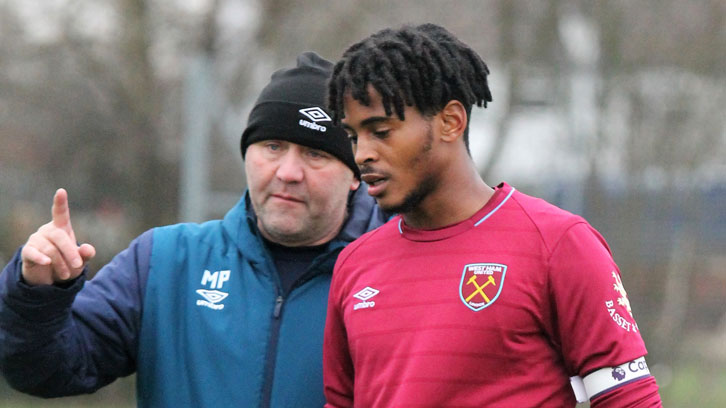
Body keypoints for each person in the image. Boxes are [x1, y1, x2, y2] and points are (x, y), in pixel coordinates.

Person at [0, 52, 387, 407]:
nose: (287, 172)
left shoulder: (393, 275)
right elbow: (45, 371)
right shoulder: (165, 262)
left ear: (355, 175)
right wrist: (37, 296)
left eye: (315, 154)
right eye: (272, 146)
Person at [322, 24, 662, 407]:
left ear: (451, 122)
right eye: (353, 137)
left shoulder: (558, 243)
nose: (362, 153)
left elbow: (628, 399)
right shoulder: (354, 264)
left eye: (380, 131)